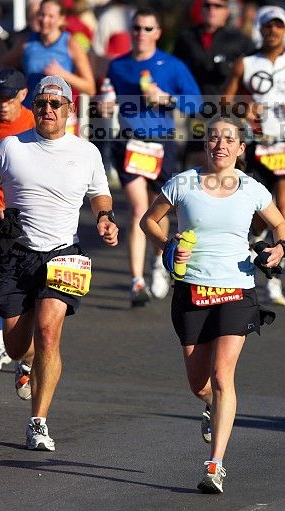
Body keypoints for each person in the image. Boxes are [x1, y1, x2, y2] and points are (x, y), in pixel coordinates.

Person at [140, 115, 285, 494]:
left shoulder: (253, 189)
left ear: (241, 148)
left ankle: (215, 464)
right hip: (192, 290)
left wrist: (279, 248)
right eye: (213, 139)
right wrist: (168, 248)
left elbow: (281, 225)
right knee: (199, 383)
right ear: (204, 146)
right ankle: (210, 405)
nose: (220, 145)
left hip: (237, 290)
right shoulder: (182, 184)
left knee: (223, 376)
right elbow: (148, 221)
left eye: (228, 139)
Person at [0, 75, 118, 450]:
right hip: (16, 253)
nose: (48, 110)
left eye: (56, 105)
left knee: (48, 334)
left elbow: (100, 194)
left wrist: (105, 218)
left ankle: (38, 421)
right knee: (15, 345)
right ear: (34, 107)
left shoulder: (86, 151)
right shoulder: (12, 146)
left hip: (64, 253)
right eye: (42, 104)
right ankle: (24, 365)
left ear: (70, 110)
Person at [223, 5, 285, 306]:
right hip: (257, 141)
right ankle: (254, 244)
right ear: (261, 29)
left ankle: (277, 274)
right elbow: (225, 99)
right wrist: (243, 108)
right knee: (256, 212)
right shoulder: (246, 62)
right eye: (268, 26)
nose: (273, 31)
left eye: (278, 26)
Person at [105, 7, 202, 306]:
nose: (141, 34)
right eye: (136, 28)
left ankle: (160, 262)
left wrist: (167, 99)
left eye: (148, 29)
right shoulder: (118, 66)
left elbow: (196, 103)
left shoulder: (172, 65)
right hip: (131, 143)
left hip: (162, 144)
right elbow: (107, 94)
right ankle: (137, 281)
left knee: (160, 211)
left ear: (158, 33)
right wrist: (105, 104)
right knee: (138, 209)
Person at [0, 68, 35, 371]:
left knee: (4, 278)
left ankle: (15, 344)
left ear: (22, 95)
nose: (2, 104)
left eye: (8, 98)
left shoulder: (36, 123)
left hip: (14, 214)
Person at [173, 0, 255, 168]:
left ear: (227, 12)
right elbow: (175, 72)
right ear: (201, 10)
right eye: (207, 5)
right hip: (198, 111)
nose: (212, 9)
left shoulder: (240, 40)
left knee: (229, 159)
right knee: (199, 158)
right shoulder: (186, 38)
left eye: (218, 6)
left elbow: (254, 76)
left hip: (229, 112)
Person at [1, 0, 95, 108]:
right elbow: (4, 65)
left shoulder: (70, 43)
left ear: (61, 19)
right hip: (31, 110)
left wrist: (63, 74)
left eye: (51, 16)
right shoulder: (26, 41)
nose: (45, 20)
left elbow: (90, 88)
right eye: (42, 15)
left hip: (58, 112)